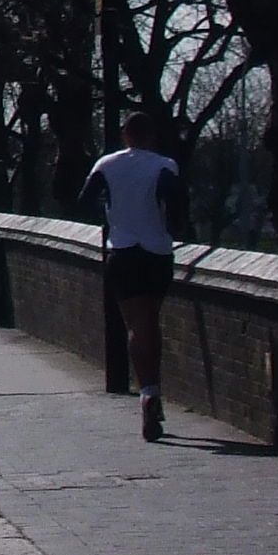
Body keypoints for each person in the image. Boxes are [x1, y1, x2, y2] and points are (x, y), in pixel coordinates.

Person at [80, 110, 191, 441]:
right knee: (151, 322)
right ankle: (153, 389)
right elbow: (175, 201)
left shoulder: (106, 164)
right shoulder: (164, 165)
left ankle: (147, 392)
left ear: (125, 135)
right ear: (151, 136)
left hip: (123, 251)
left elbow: (84, 199)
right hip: (156, 252)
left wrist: (111, 216)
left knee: (136, 326)